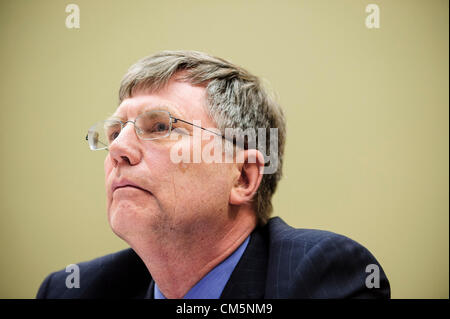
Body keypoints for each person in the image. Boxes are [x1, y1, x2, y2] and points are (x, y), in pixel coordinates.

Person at [36, 50, 390, 299]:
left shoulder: (318, 275)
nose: (118, 150)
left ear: (243, 178)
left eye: (160, 126)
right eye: (114, 133)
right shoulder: (73, 290)